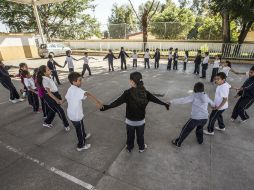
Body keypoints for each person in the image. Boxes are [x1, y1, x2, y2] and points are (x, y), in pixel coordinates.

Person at [100, 72, 169, 153]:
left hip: (130, 122)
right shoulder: (146, 92)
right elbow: (156, 100)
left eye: (130, 80)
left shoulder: (127, 93)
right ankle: (141, 147)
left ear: (132, 81)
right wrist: (165, 104)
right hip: (141, 121)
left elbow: (116, 103)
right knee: (140, 136)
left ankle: (129, 147)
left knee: (130, 136)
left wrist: (106, 107)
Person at [65, 72, 103, 151]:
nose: (81, 81)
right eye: (79, 80)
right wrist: (98, 102)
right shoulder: (77, 90)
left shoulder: (71, 88)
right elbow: (88, 94)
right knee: (79, 130)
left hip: (71, 114)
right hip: (76, 115)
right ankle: (81, 145)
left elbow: (66, 97)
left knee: (80, 127)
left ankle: (84, 135)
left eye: (81, 80)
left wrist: (61, 101)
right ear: (74, 82)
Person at [170, 82, 215, 147]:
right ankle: (200, 141)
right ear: (203, 89)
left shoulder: (194, 96)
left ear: (195, 89)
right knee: (200, 128)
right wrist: (214, 106)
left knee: (185, 129)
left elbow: (183, 100)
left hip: (195, 118)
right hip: (205, 118)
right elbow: (211, 103)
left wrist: (171, 101)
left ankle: (178, 142)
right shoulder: (205, 95)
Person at [37, 65, 70, 130]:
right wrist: (56, 99)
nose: (50, 70)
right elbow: (49, 92)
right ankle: (66, 125)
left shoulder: (49, 76)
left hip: (55, 94)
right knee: (60, 111)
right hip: (50, 97)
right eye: (48, 70)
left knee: (53, 111)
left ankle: (47, 122)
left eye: (49, 69)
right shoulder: (45, 80)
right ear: (44, 73)